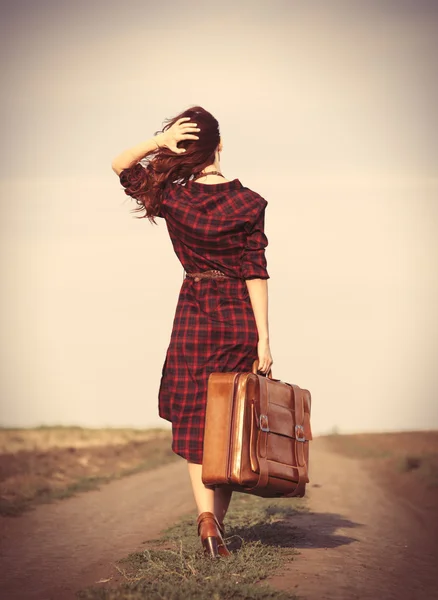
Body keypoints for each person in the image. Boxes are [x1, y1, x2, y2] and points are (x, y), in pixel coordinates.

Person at [111, 106, 273, 558]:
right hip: (238, 317)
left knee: (195, 418)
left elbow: (121, 165)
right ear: (220, 145)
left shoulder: (174, 199)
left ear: (185, 149)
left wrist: (155, 145)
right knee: (228, 421)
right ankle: (215, 526)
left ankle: (205, 522)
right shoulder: (249, 202)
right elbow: (255, 272)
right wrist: (264, 338)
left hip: (193, 316)